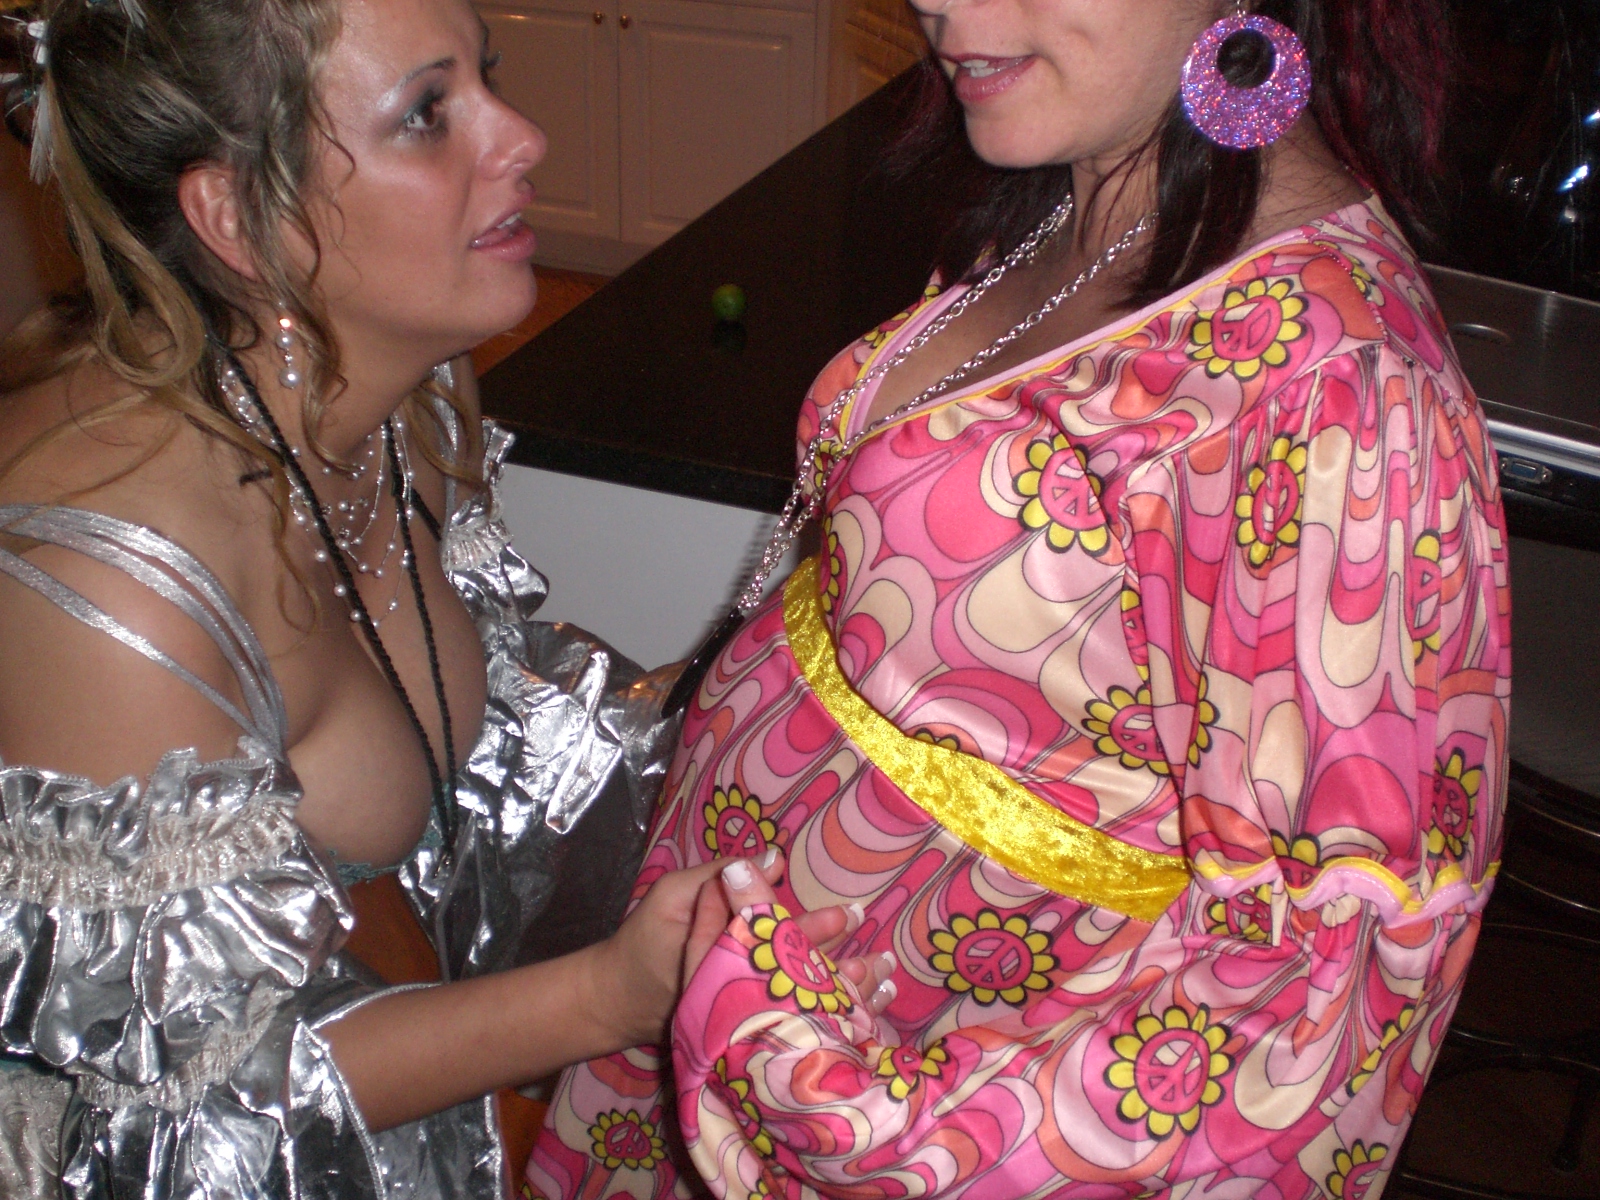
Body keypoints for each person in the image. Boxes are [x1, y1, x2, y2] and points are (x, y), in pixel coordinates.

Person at [528, 0, 1511, 1196]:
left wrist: (882, 1135)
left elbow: (1330, 964)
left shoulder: (1336, 386)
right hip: (730, 956)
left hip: (902, 1049)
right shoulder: (1079, 194)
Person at [0, 0, 868, 1196]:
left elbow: (486, 738)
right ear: (237, 216)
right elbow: (194, 1107)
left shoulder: (389, 390)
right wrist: (608, 996)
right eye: (426, 113)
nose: (522, 137)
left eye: (486, 75)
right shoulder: (107, 590)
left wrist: (783, 691)